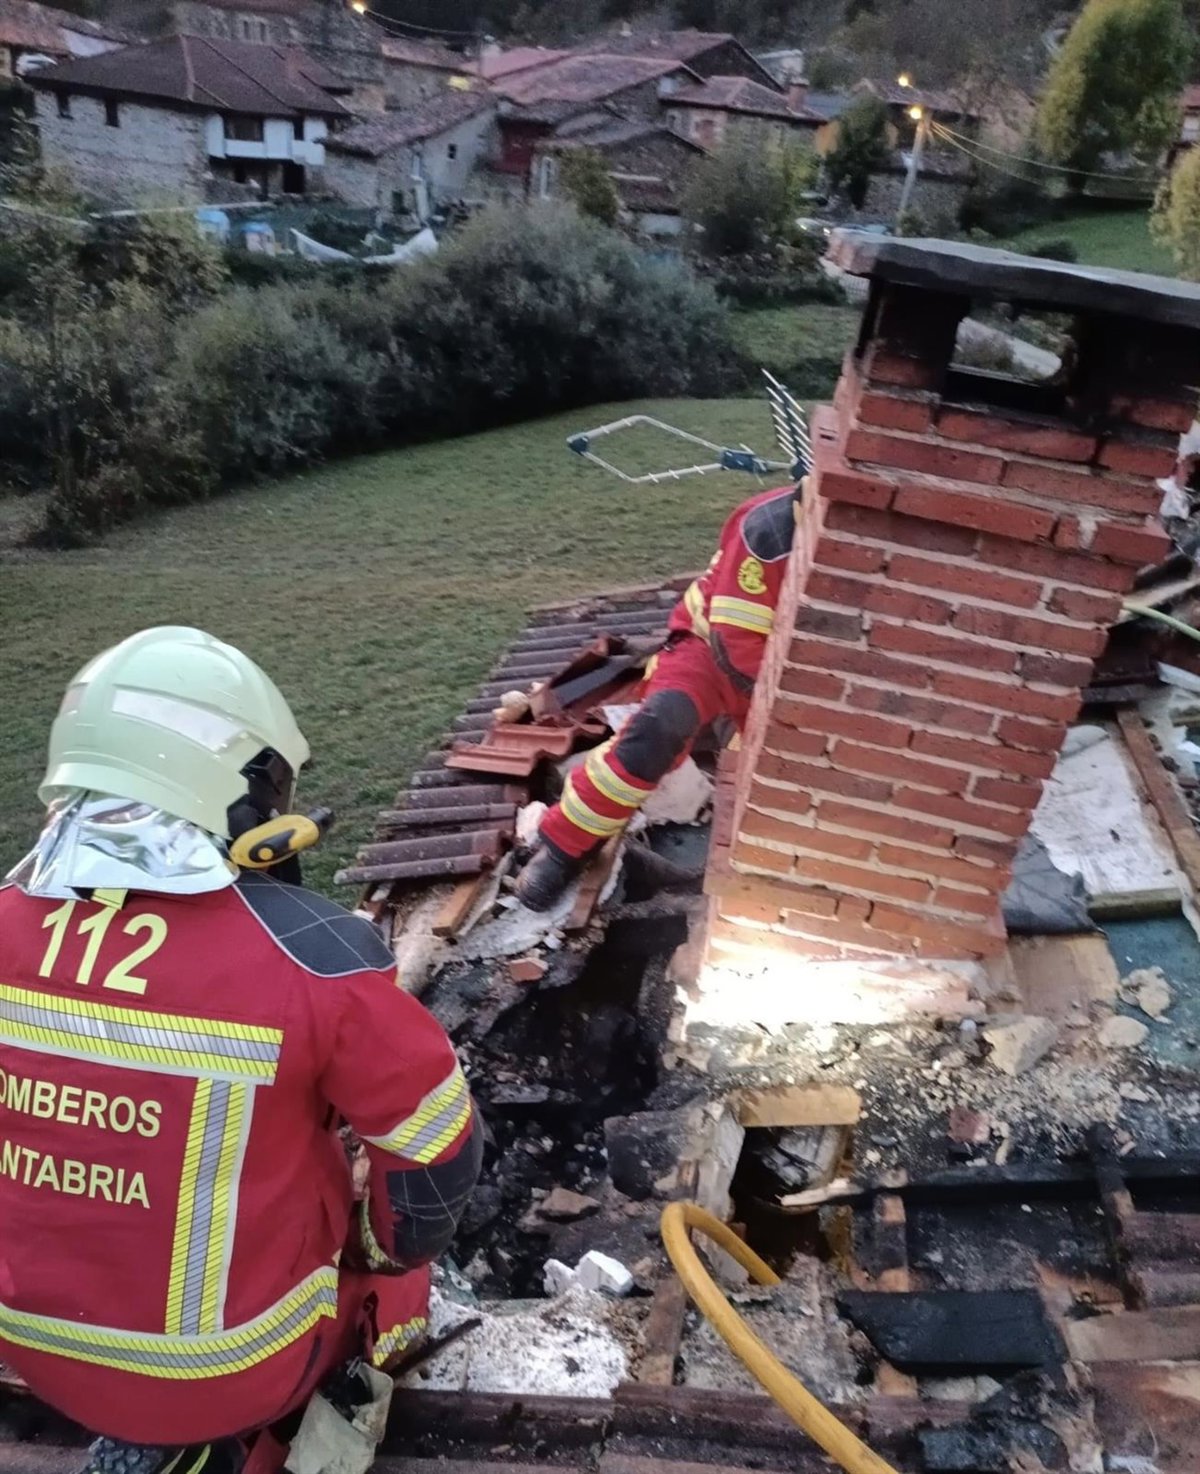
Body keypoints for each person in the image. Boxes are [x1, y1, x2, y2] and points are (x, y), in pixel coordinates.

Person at [0, 627, 481, 1474]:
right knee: (396, 1275)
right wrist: (380, 1250)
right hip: (225, 1377)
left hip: (31, 1347)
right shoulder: (317, 962)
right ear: (240, 790)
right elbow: (440, 1154)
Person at [517, 481, 803, 911]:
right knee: (659, 726)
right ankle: (564, 844)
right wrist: (782, 717)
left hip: (789, 676)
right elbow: (736, 644)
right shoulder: (770, 530)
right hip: (708, 649)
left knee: (790, 771)